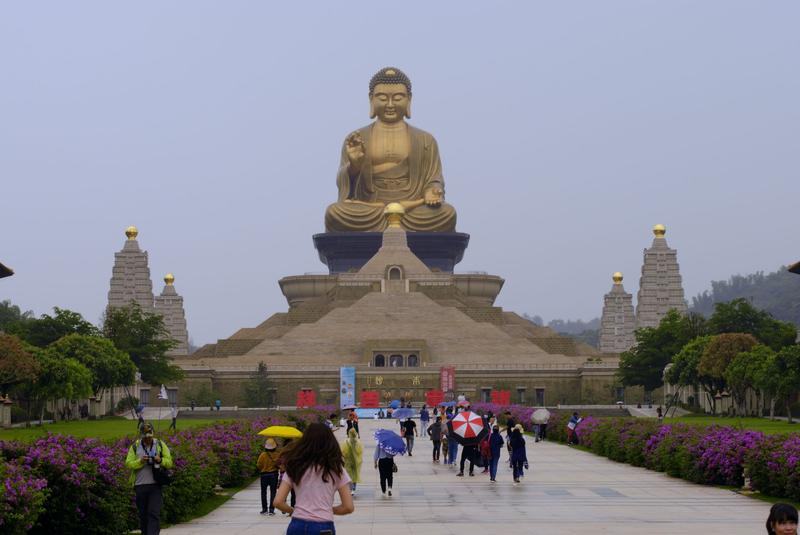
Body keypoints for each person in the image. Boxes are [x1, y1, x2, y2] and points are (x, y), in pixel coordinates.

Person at [273, 423, 354, 534]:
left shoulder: (295, 466)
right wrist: (329, 510)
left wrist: (293, 510)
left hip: (297, 525)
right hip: (323, 527)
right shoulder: (336, 469)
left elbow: (278, 502)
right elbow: (348, 507)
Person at [125, 423, 173, 535]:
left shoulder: (160, 444)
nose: (148, 439)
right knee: (143, 515)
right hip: (140, 486)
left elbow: (169, 462)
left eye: (150, 436)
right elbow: (128, 463)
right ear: (141, 435)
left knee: (153, 513)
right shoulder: (135, 446)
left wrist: (160, 460)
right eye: (146, 437)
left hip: (155, 485)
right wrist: (140, 462)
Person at [257, 438, 282, 515]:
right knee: (273, 492)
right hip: (274, 475)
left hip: (264, 475)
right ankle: (271, 509)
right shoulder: (277, 454)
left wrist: (263, 468)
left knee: (263, 492)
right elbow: (279, 464)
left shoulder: (262, 455)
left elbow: (258, 465)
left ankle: (264, 509)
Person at [340, 428, 363, 496]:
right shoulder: (358, 442)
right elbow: (360, 452)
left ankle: (350, 488)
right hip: (356, 461)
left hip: (348, 462)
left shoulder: (345, 442)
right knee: (355, 475)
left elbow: (342, 453)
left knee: (348, 475)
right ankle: (353, 489)